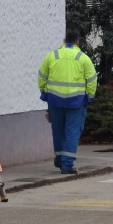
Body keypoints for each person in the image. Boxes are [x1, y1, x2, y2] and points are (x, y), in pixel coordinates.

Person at [38, 31, 97, 173]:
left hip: (55, 100)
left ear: (64, 41)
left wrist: (45, 92)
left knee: (58, 130)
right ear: (78, 42)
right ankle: (67, 165)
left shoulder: (52, 56)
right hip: (76, 102)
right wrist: (89, 97)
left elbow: (42, 76)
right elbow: (91, 80)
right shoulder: (83, 58)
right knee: (72, 131)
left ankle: (59, 159)